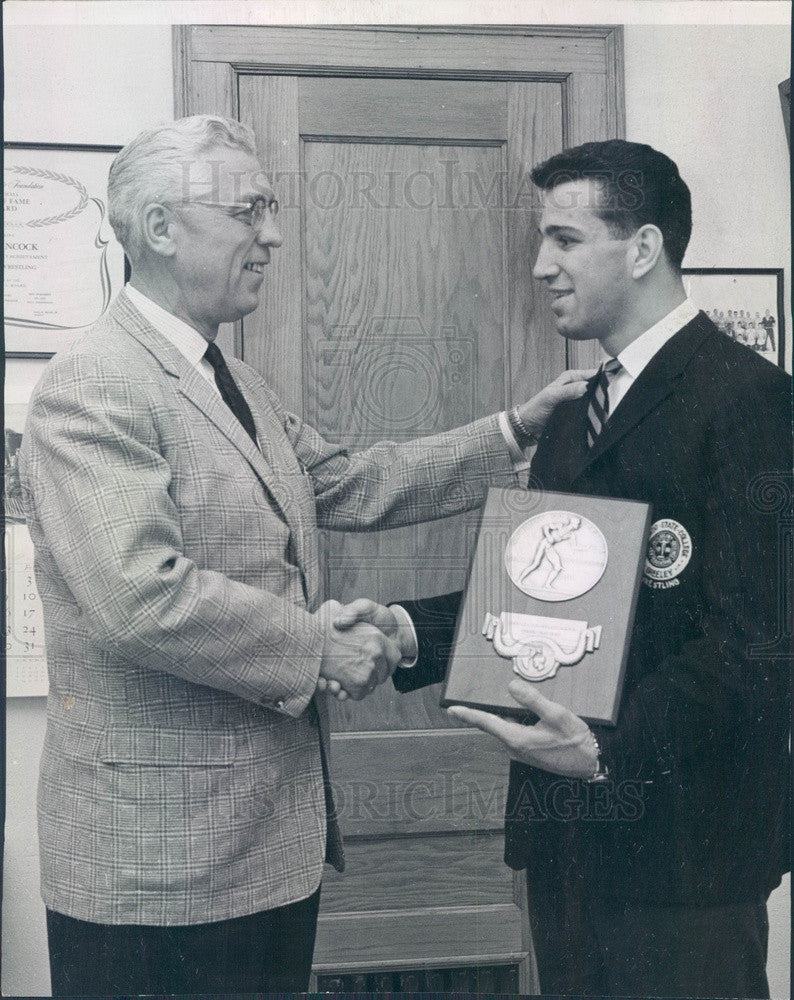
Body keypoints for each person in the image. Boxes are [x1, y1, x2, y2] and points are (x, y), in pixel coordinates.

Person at [17, 115, 590, 996]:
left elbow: (351, 482)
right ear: (162, 227)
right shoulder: (93, 385)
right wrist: (319, 645)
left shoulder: (231, 378)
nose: (274, 235)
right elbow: (140, 597)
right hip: (157, 876)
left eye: (272, 210)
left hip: (264, 853)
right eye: (250, 211)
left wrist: (513, 429)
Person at [338, 139, 792, 998]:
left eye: (566, 240)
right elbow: (549, 598)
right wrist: (411, 634)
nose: (542, 266)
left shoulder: (752, 401)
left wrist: (604, 747)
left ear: (645, 247)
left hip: (686, 855)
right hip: (568, 841)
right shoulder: (578, 408)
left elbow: (760, 645)